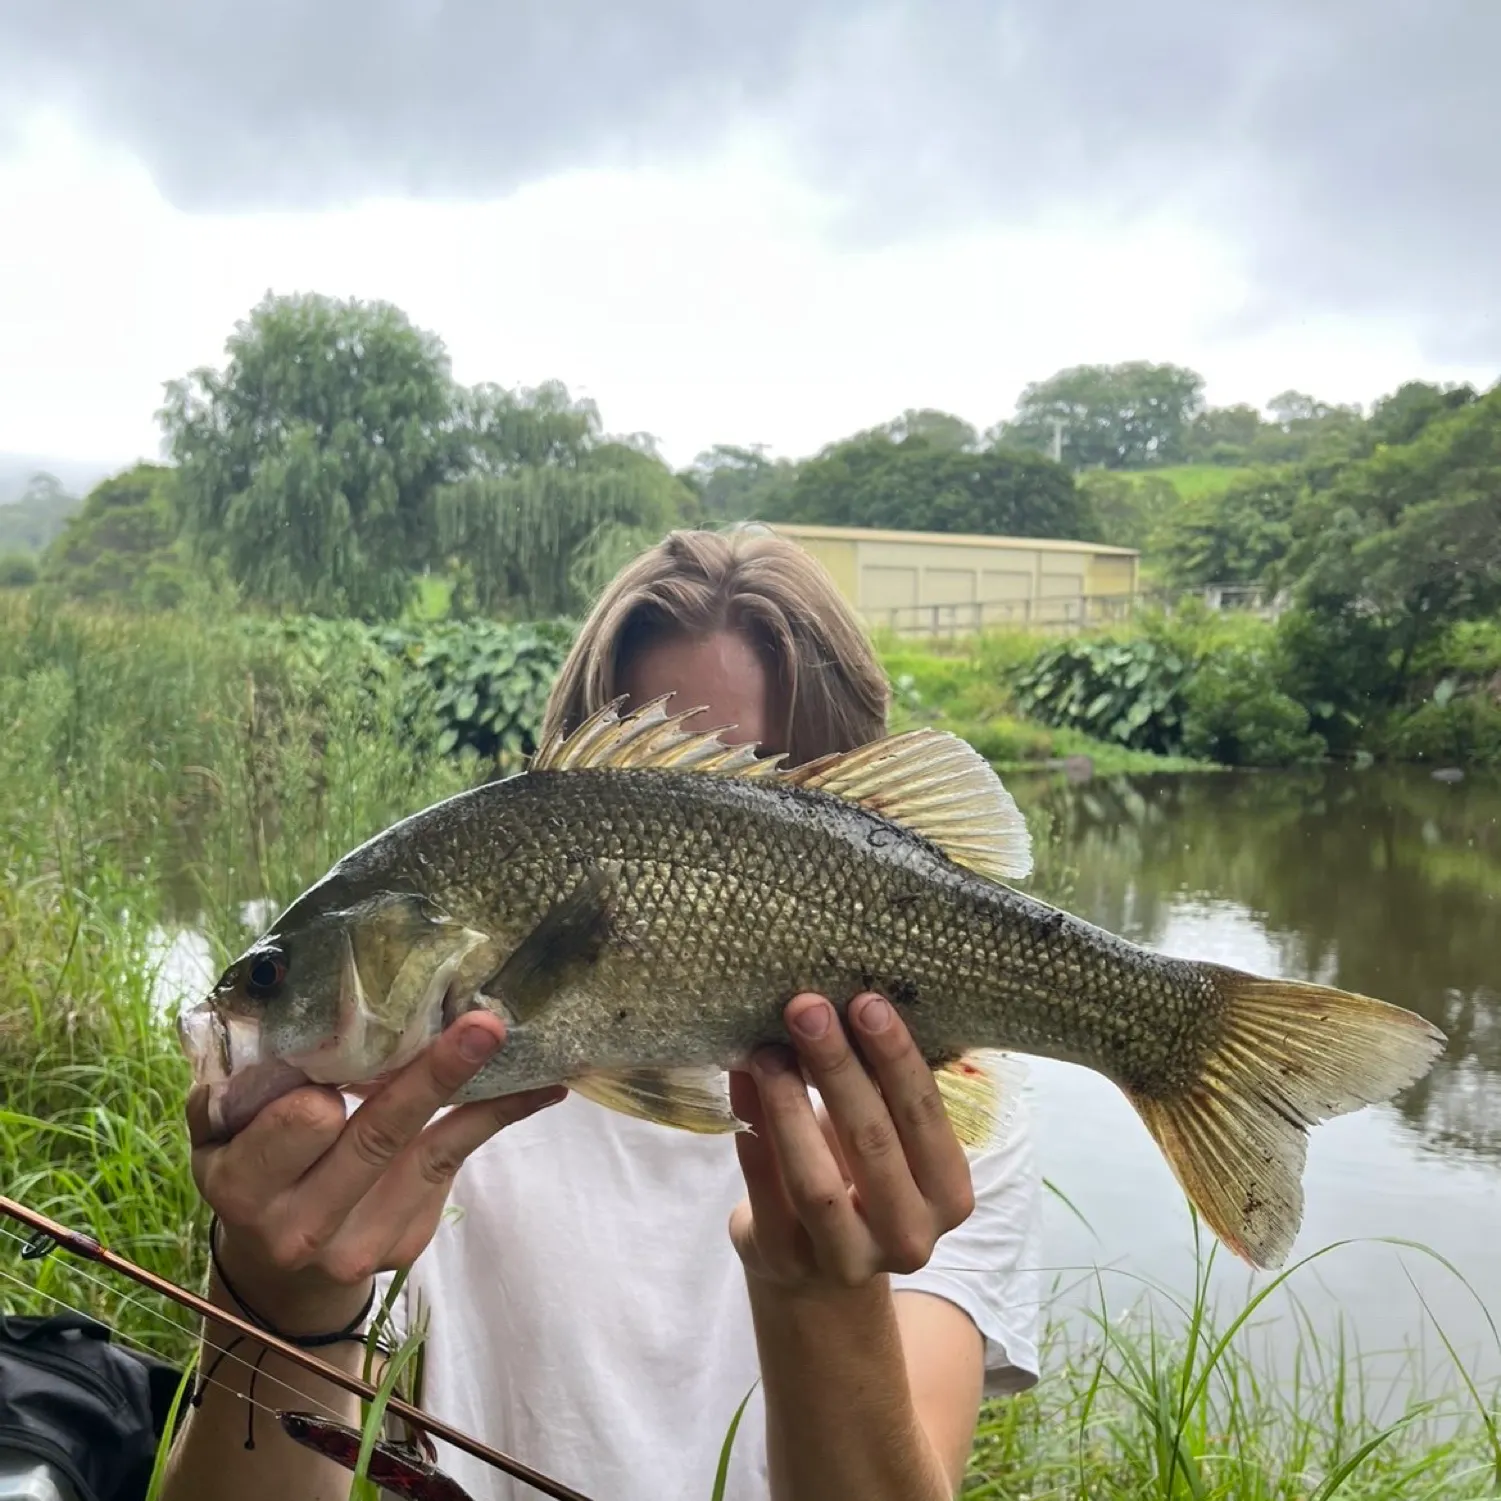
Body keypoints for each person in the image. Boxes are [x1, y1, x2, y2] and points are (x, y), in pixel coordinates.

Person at [164, 526, 1043, 1501]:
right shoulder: (423, 1124)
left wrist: (825, 1299)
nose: (725, 841)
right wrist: (284, 1303)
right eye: (680, 792)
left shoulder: (926, 1125)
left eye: (774, 800)